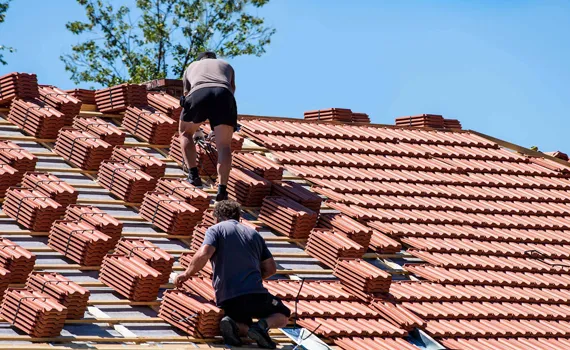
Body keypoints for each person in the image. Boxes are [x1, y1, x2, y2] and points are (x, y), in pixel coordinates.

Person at [174, 200, 290, 349]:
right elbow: (271, 269)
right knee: (284, 314)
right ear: (239, 217)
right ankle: (261, 326)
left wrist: (186, 274)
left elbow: (204, 253)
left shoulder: (215, 230)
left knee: (242, 321)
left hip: (227, 298)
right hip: (255, 295)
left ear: (217, 217)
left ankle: (234, 324)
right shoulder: (254, 234)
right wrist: (252, 280)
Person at [180, 51, 237, 201]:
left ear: (200, 60)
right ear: (214, 59)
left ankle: (193, 175)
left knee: (185, 133)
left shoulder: (191, 67)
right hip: (224, 95)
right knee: (224, 145)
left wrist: (196, 129)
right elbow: (232, 90)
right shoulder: (226, 65)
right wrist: (218, 125)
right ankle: (222, 189)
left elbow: (187, 95)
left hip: (199, 93)